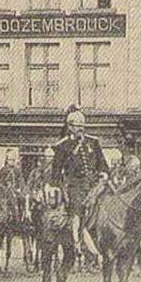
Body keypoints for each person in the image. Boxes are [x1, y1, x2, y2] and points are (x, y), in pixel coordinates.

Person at [51, 108, 109, 256]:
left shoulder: (93, 142)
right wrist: (61, 189)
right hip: (75, 186)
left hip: (95, 186)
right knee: (78, 210)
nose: (80, 130)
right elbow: (55, 175)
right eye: (77, 126)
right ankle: (77, 241)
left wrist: (103, 176)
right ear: (70, 127)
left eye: (82, 127)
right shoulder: (62, 146)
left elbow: (103, 166)